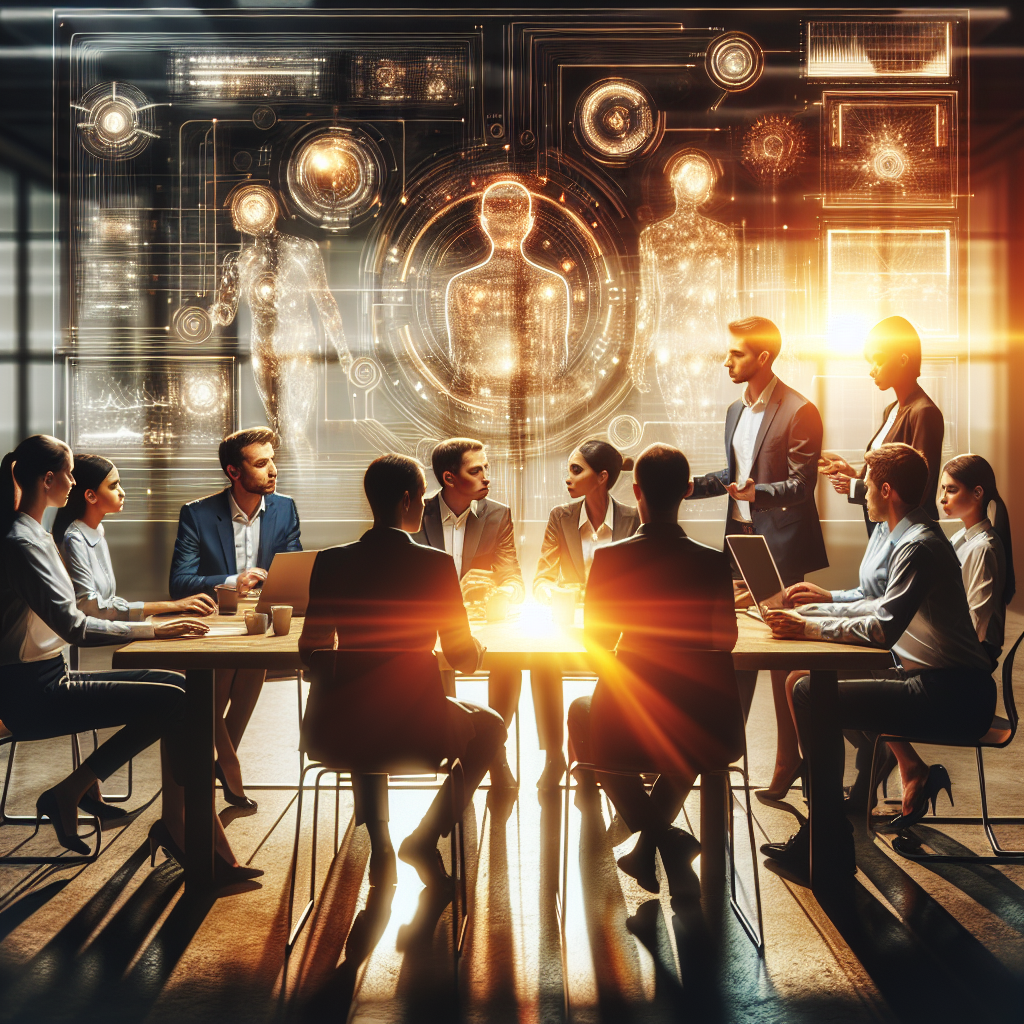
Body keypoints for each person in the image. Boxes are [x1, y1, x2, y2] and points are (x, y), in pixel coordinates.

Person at [0, 436, 259, 882]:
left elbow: (82, 613)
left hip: (50, 675)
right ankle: (186, 831)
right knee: (177, 701)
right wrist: (157, 626)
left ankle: (136, 811)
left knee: (180, 689)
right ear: (48, 479)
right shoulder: (24, 542)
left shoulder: (37, 535)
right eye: (69, 473)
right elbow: (76, 625)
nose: (73, 481)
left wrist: (161, 619)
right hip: (31, 693)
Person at [761, 444, 996, 877]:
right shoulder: (911, 536)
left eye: (867, 485)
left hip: (956, 695)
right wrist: (810, 614)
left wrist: (806, 627)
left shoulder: (918, 546)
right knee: (808, 689)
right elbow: (875, 605)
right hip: (942, 684)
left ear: (886, 490)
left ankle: (827, 838)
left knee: (808, 692)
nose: (862, 492)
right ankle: (826, 833)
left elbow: (881, 628)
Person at [298, 454, 507, 888]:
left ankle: (380, 845)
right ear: (411, 499)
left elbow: (311, 650)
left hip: (338, 729)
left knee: (365, 710)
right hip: (418, 731)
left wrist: (351, 671)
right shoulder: (434, 564)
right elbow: (461, 655)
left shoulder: (332, 561)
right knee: (491, 726)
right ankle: (425, 838)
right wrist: (480, 650)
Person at [567, 443, 743, 895]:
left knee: (583, 714)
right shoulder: (711, 561)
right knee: (684, 735)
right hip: (705, 726)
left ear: (636, 489)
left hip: (628, 727)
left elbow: (595, 647)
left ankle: (656, 840)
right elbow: (725, 641)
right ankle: (663, 840)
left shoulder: (611, 559)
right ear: (687, 490)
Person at [686, 315, 827, 798]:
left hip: (779, 547)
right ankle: (724, 754)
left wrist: (756, 493)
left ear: (764, 358)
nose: (727, 361)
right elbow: (736, 469)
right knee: (731, 647)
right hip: (739, 542)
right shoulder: (734, 410)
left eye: (737, 354)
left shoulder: (800, 410)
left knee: (781, 659)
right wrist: (694, 486)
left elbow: (802, 485)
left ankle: (790, 758)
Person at [53, 454, 217, 815]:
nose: (123, 492)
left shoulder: (96, 531)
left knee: (179, 691)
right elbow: (91, 608)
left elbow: (110, 600)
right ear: (90, 496)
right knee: (173, 698)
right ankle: (189, 787)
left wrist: (170, 608)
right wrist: (164, 614)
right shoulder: (73, 538)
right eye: (114, 485)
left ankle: (88, 790)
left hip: (83, 640)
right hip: (65, 650)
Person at [169, 427, 302, 809]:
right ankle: (226, 763)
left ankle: (221, 762)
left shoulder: (284, 508)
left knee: (250, 662)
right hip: (217, 620)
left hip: (260, 624)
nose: (272, 469)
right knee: (231, 666)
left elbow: (293, 568)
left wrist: (273, 584)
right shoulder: (197, 514)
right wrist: (233, 581)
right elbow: (179, 583)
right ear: (233, 471)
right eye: (261, 463)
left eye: (272, 460)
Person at [412, 438, 524, 791]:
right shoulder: (417, 513)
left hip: (485, 622)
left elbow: (514, 579)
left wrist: (504, 593)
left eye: (486, 468)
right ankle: (463, 752)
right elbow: (409, 585)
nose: (486, 477)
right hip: (433, 627)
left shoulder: (497, 513)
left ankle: (492, 751)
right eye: (476, 471)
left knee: (511, 659)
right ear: (449, 478)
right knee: (438, 653)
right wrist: (454, 594)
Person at [531, 439, 640, 789]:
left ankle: (621, 752)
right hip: (571, 627)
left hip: (617, 633)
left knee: (632, 660)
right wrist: (552, 593)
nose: (568, 477)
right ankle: (553, 757)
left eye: (576, 470)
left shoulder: (633, 518)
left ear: (602, 477)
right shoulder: (560, 517)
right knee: (541, 660)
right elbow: (542, 579)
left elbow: (641, 584)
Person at [822, 315, 944, 525]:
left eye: (879, 360)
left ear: (903, 359)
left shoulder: (924, 412)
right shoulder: (891, 410)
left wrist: (854, 487)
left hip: (907, 529)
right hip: (885, 526)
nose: (872, 371)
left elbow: (918, 488)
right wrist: (852, 473)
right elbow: (886, 474)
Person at [940, 453, 1015, 667]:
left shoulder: (983, 548)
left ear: (977, 493)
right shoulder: (960, 538)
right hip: (958, 645)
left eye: (951, 489)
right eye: (942, 489)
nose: (943, 497)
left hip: (970, 657)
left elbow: (977, 627)